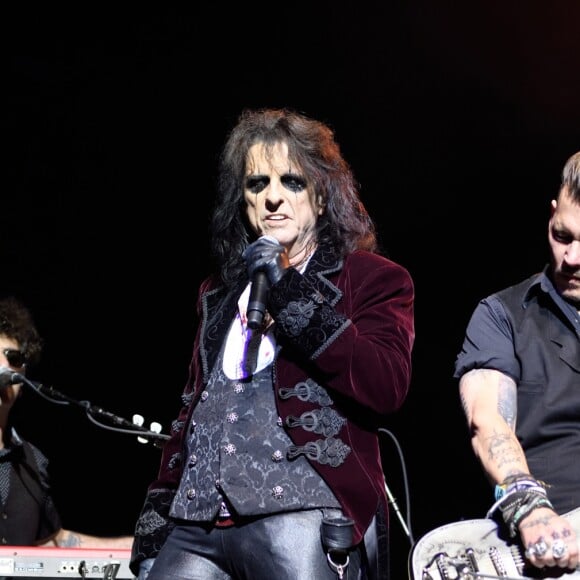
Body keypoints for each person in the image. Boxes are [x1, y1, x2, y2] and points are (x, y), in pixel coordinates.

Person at [130, 107, 415, 580]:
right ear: (242, 202)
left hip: (301, 511)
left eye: (292, 182)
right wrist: (152, 535)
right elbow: (191, 414)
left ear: (322, 197)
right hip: (196, 522)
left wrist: (287, 287)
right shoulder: (216, 294)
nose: (273, 199)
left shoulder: (373, 279)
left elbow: (386, 384)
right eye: (257, 185)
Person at [454, 151, 580, 572]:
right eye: (562, 236)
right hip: (542, 544)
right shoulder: (503, 314)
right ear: (551, 213)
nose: (572, 258)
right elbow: (487, 420)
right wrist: (529, 506)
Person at [0, 295, 134, 549]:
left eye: (14, 359)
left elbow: (53, 542)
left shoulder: (33, 462)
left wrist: (135, 547)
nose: (4, 367)